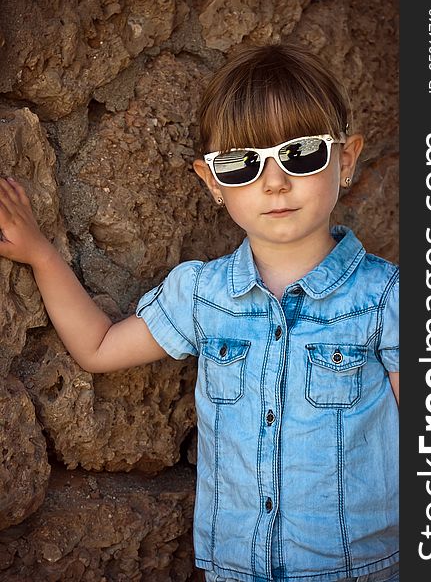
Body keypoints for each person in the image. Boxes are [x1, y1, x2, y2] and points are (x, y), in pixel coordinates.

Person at [0, 43, 399, 582]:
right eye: (242, 164)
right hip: (235, 572)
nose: (274, 182)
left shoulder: (389, 299)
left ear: (346, 159)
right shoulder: (201, 294)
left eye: (301, 154)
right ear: (212, 182)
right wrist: (40, 254)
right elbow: (97, 348)